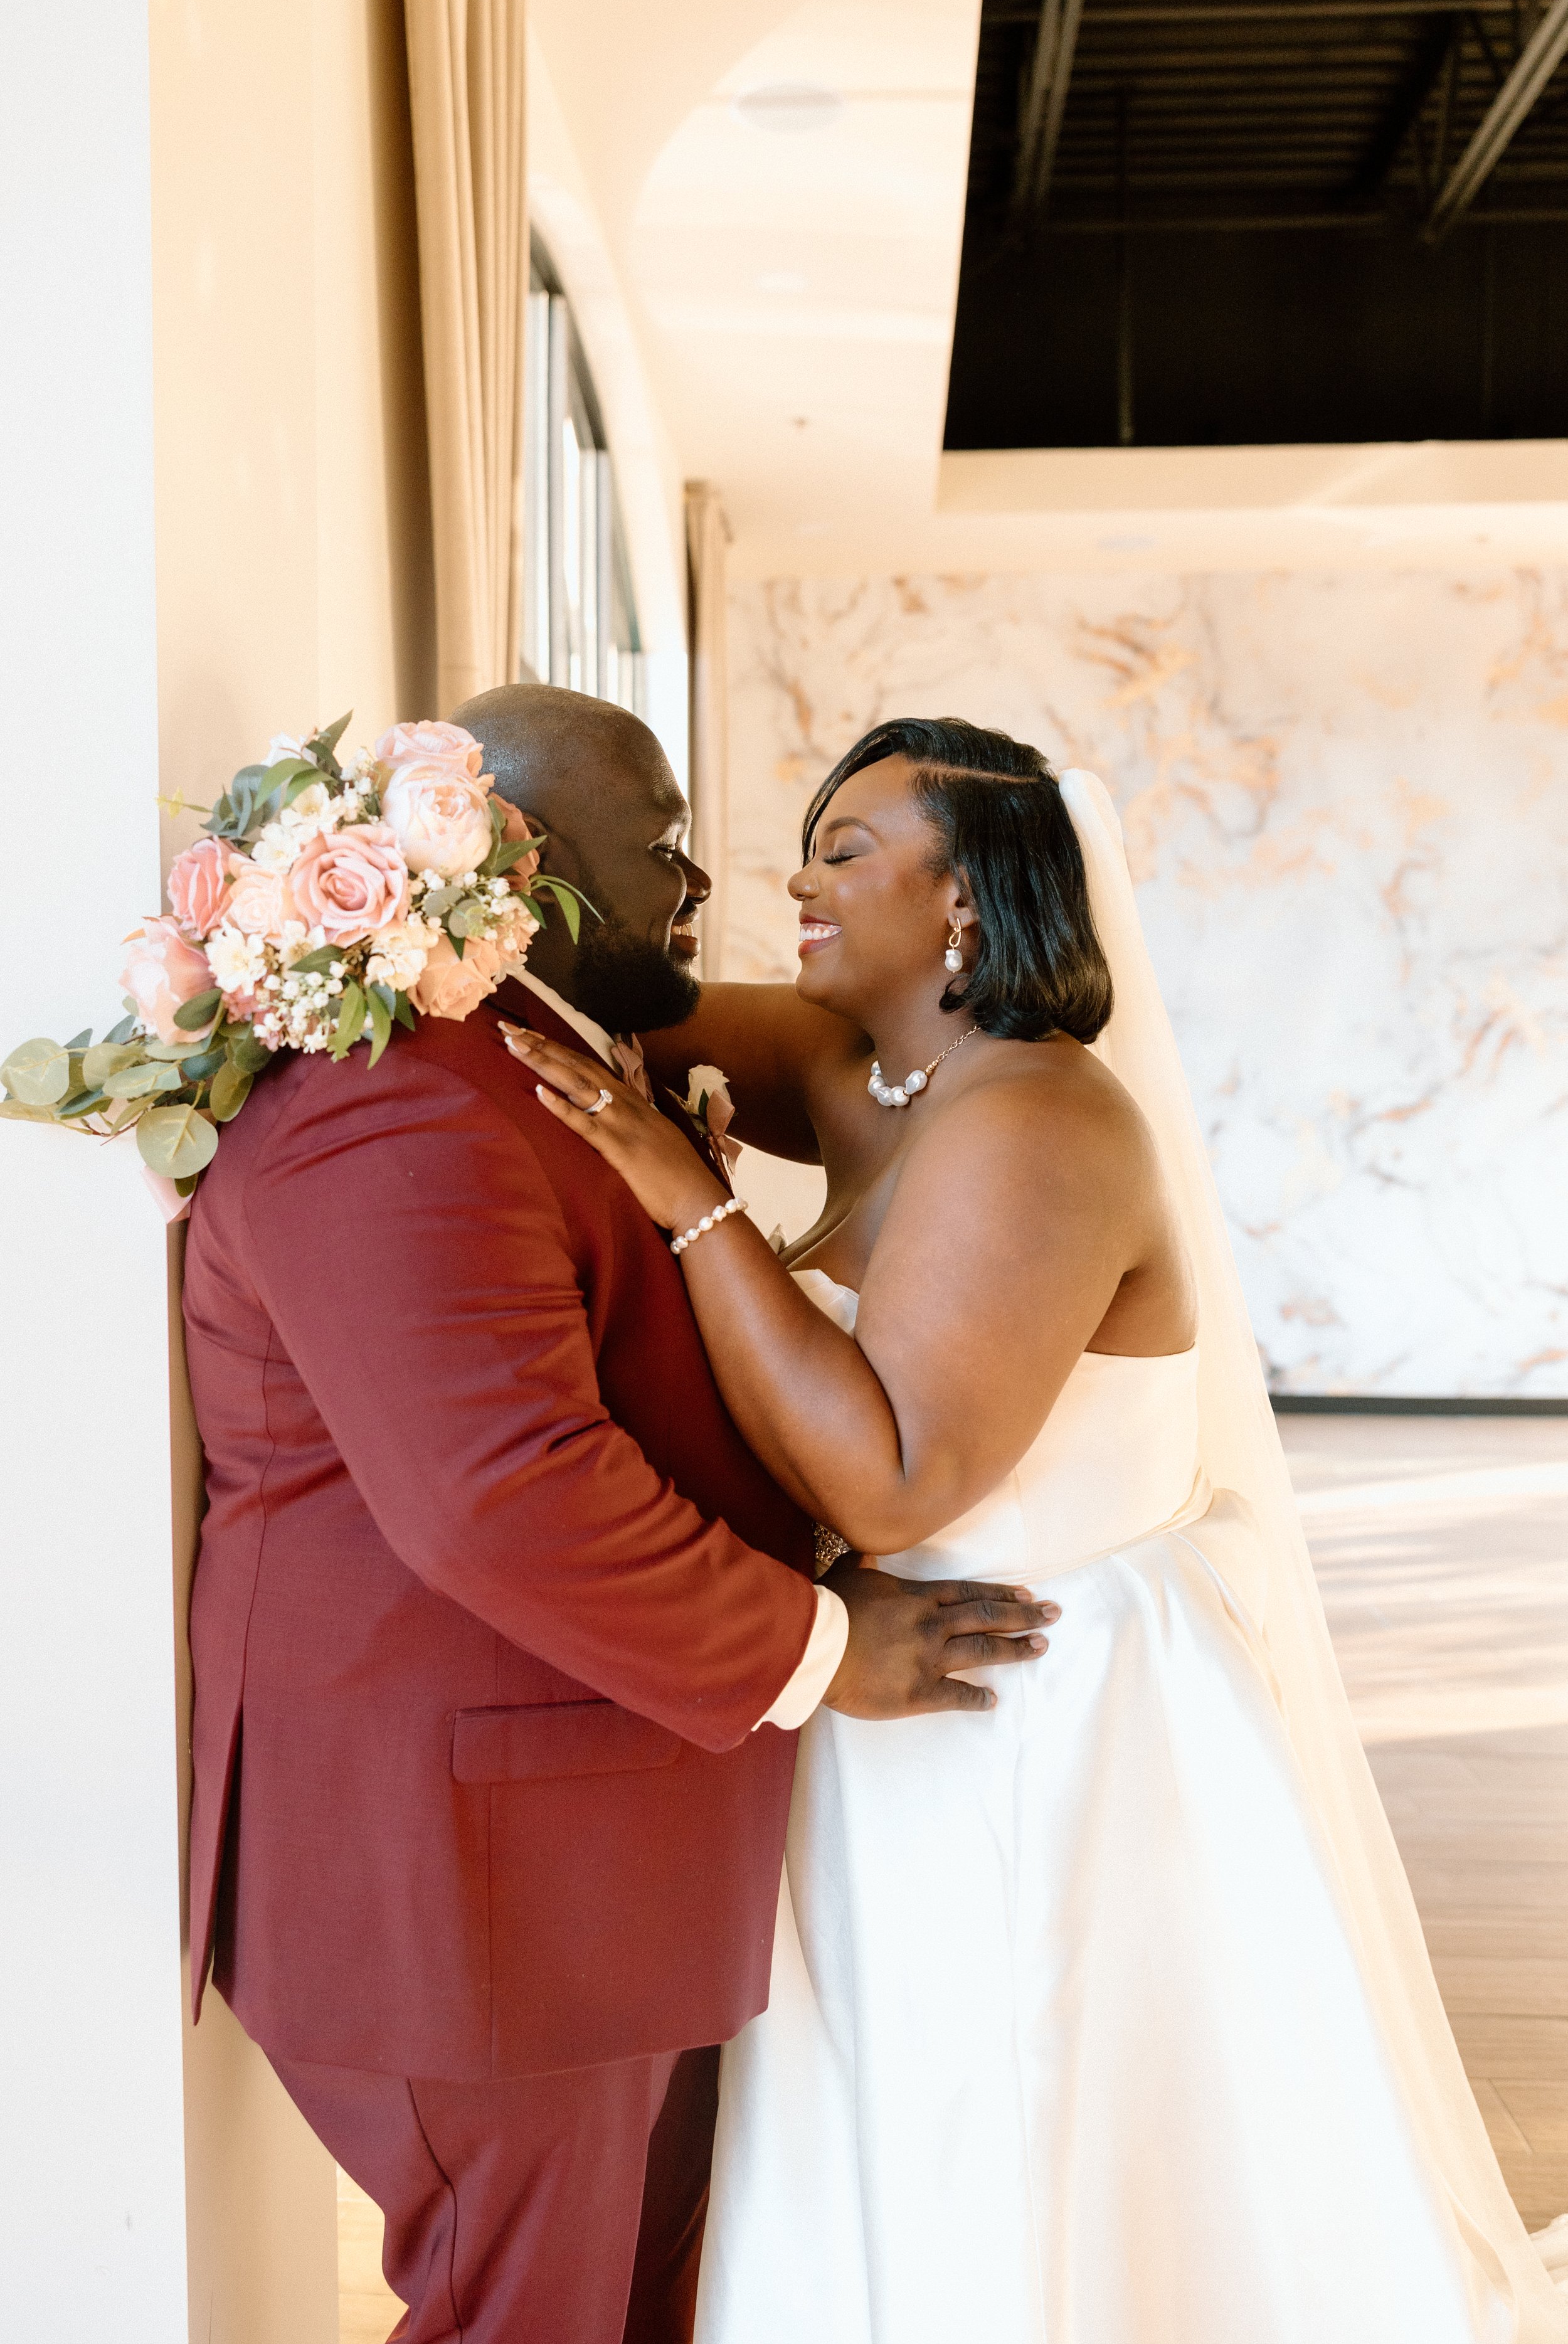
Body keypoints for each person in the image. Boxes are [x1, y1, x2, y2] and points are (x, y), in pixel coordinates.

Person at [512, 714, 1568, 2344]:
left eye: (845, 849)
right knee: (900, 2114)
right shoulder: (860, 1066)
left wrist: (694, 1202)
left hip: (1036, 1704)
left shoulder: (1040, 1125)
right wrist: (391, 903)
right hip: (898, 1683)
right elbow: (605, 1000)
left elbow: (891, 1482)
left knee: (1018, 2109)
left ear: (966, 900)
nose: (796, 880)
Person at [181, 687, 1055, 2344]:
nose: (701, 881)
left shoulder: (542, 1056)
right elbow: (500, 1499)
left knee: (635, 2300)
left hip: (577, 1857)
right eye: (664, 843)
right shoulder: (396, 1100)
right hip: (473, 1886)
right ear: (526, 858)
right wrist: (820, 1647)